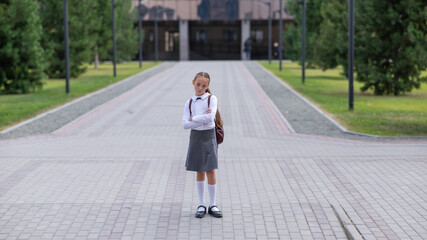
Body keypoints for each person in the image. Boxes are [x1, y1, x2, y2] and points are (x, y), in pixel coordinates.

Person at [182, 72, 223, 218]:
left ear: (208, 86)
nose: (200, 87)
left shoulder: (212, 99)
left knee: (211, 170)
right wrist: (202, 119)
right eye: (198, 84)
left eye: (204, 85)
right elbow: (185, 124)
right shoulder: (190, 102)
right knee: (199, 170)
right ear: (193, 82)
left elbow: (211, 118)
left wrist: (194, 118)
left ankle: (213, 204)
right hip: (196, 137)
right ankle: (201, 204)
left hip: (208, 136)